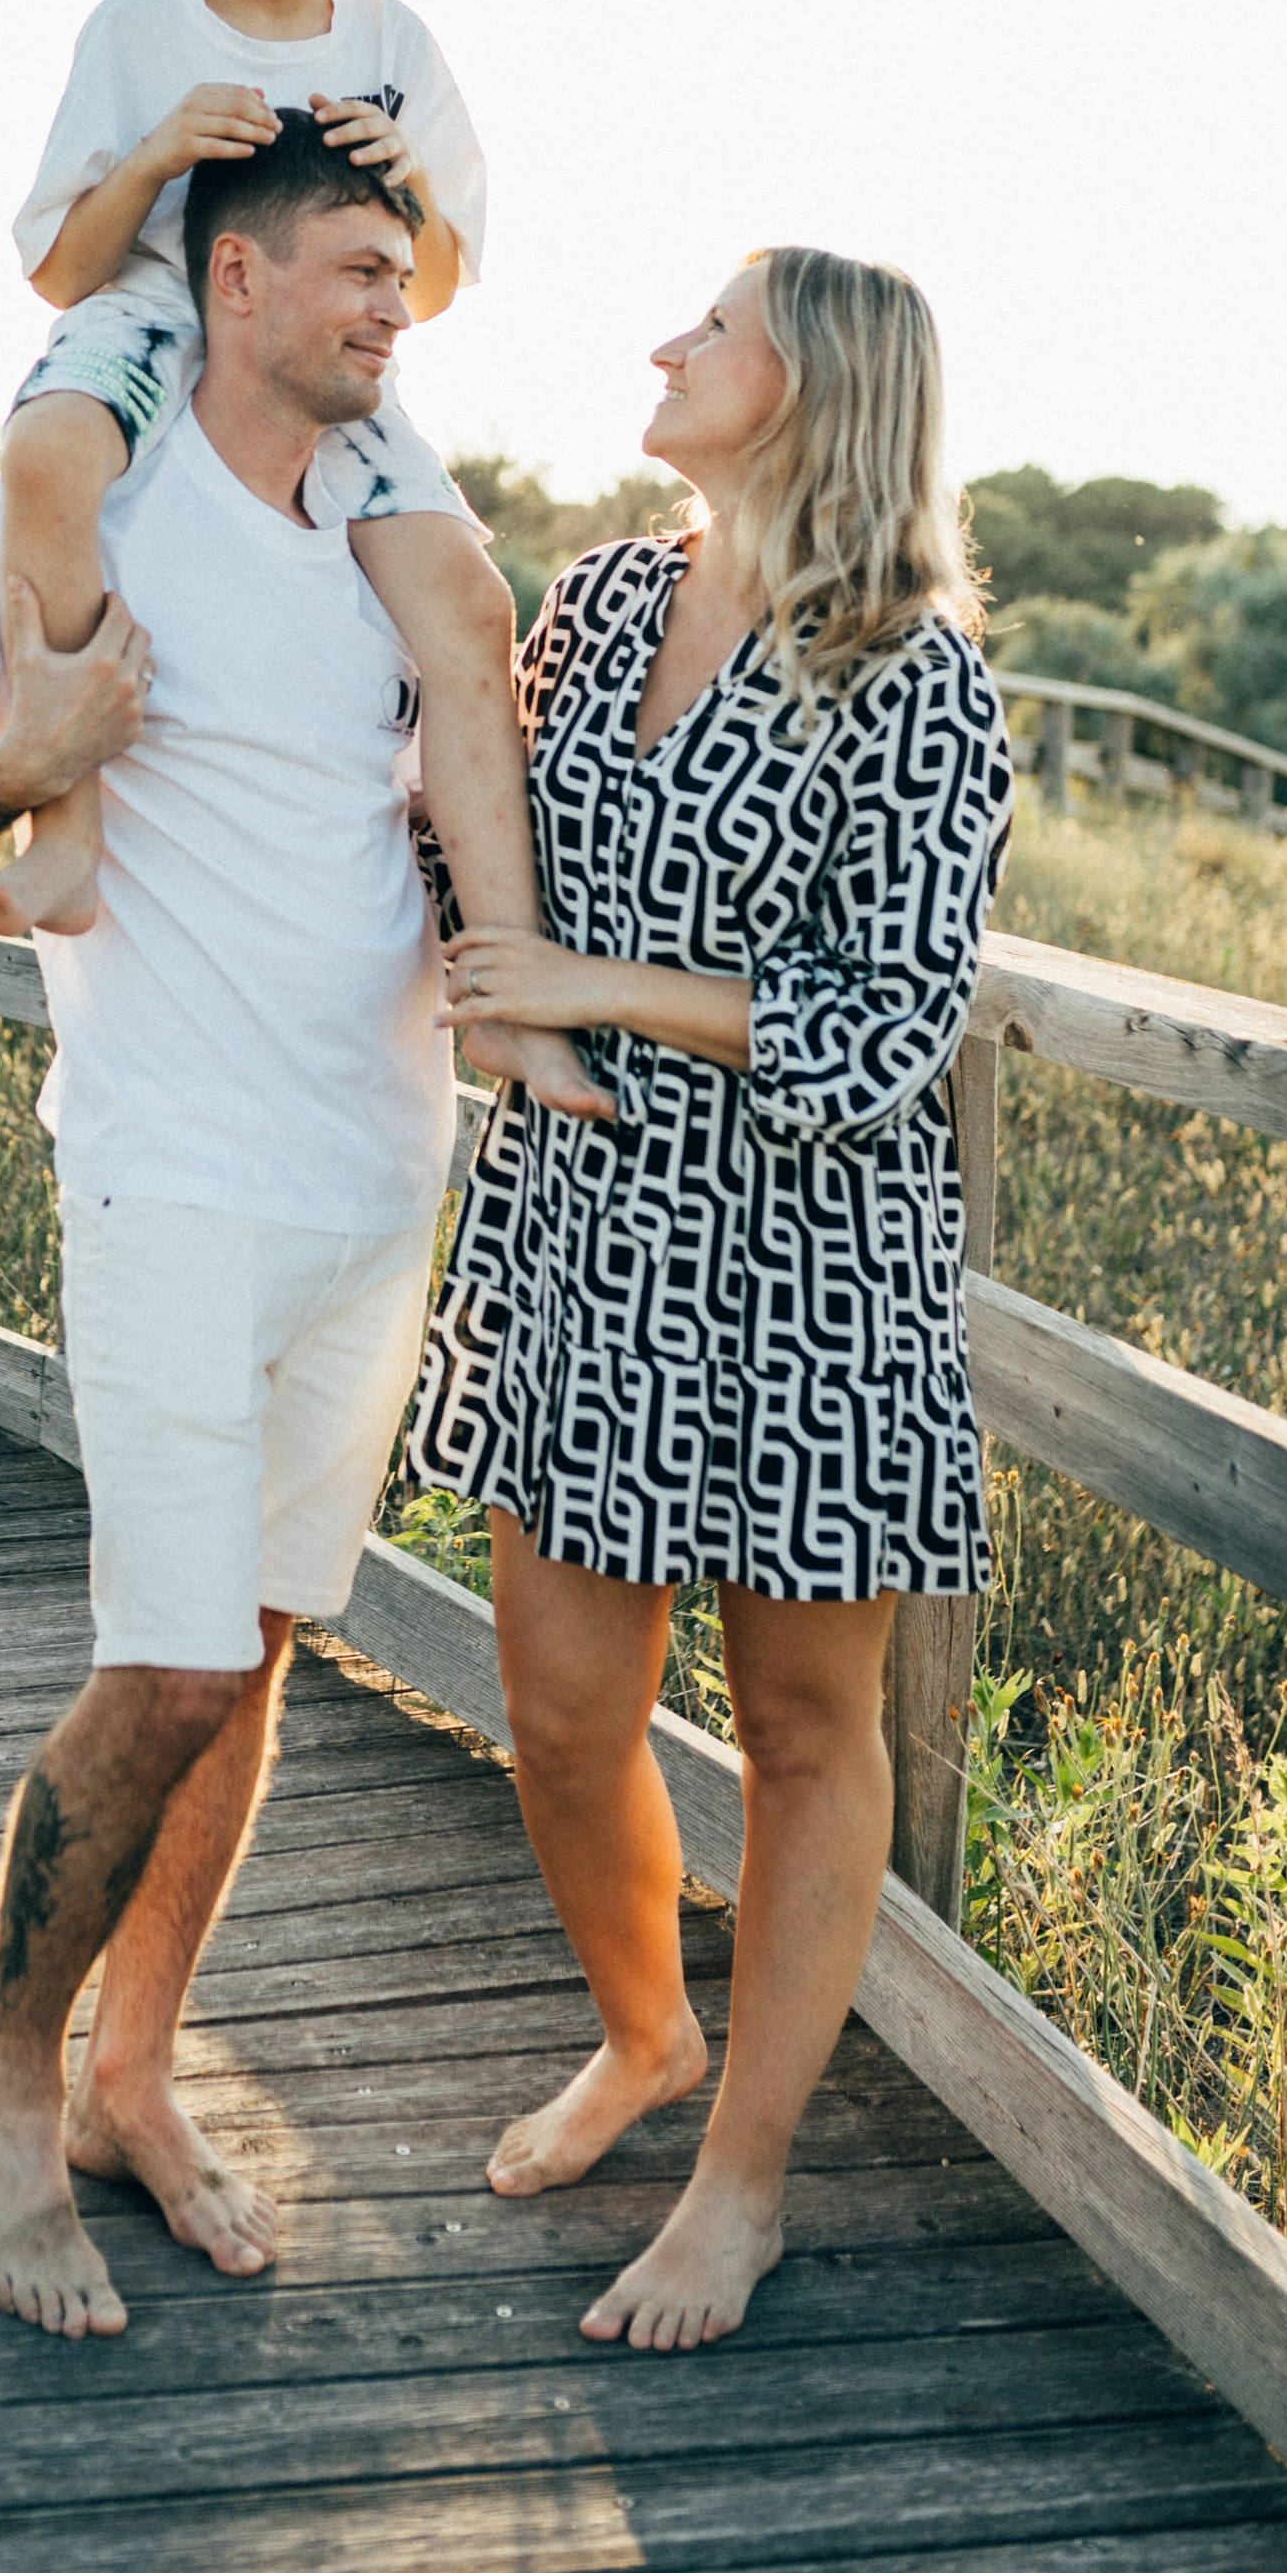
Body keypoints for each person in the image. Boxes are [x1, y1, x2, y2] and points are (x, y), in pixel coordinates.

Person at [0, 119, 504, 2339]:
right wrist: (30, 770)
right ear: (224, 284)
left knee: (260, 1652)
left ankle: (135, 2073)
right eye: (343, 270)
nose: (386, 307)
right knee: (169, 1660)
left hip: (368, 1187)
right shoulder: (62, 527)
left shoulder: (398, 559)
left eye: (398, 275)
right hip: (169, 1172)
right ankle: (4, 2105)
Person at [409, 246, 1012, 2353]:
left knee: (799, 1729)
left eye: (713, 330)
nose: (662, 344)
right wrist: (493, 969)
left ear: (811, 393)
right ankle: (646, 2033)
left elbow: (888, 1028)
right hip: (583, 1232)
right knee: (565, 1717)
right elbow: (463, 832)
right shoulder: (586, 601)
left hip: (806, 1272)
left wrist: (601, 990)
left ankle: (739, 2182)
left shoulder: (914, 675)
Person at [0, 0, 594, 1124]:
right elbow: (57, 262)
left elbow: (429, 286)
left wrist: (403, 182)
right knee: (46, 445)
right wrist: (162, 149)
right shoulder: (133, 28)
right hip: (149, 312)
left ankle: (508, 983)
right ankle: (69, 834)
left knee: (474, 604)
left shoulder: (396, 42)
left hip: (323, 350)